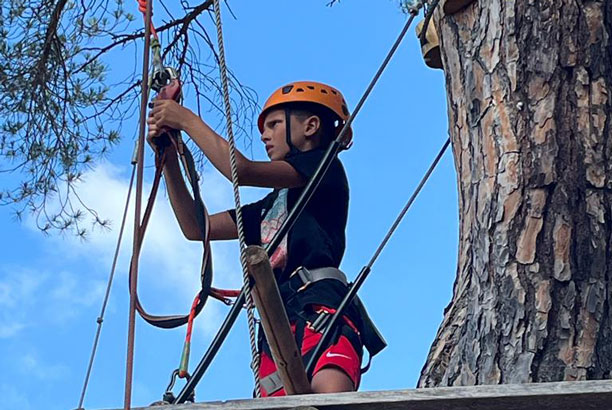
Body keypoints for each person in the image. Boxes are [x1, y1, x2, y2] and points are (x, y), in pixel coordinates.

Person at [147, 81, 384, 396]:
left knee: (330, 398)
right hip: (277, 322)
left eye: (274, 124)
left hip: (320, 308)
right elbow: (196, 227)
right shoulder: (270, 207)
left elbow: (240, 171)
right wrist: (169, 158)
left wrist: (186, 120)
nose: (264, 134)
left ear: (311, 126)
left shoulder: (325, 167)